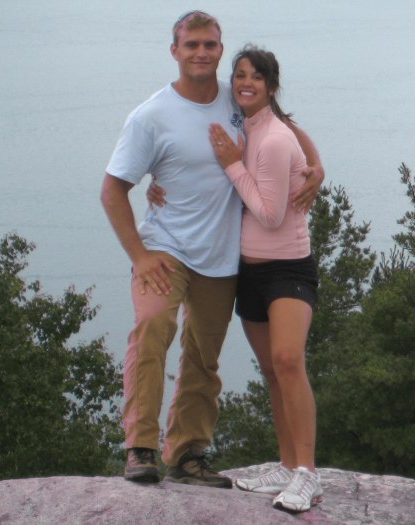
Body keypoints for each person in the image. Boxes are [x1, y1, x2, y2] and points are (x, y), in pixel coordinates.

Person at [100, 11, 323, 488]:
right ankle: (140, 448)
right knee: (153, 328)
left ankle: (187, 455)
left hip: (222, 256)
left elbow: (285, 127)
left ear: (220, 50)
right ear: (175, 50)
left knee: (204, 357)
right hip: (166, 249)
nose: (201, 52)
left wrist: (316, 166)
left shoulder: (235, 99)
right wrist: (140, 255)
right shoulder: (151, 115)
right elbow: (112, 189)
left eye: (210, 45)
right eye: (192, 44)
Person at [211, 45, 322, 513]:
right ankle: (285, 461)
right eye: (239, 75)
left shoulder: (272, 138)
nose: (245, 83)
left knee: (288, 361)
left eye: (256, 77)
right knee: (272, 372)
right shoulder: (243, 128)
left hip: (287, 268)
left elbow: (272, 214)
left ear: (271, 87)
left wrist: (232, 164)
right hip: (249, 272)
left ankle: (307, 474)